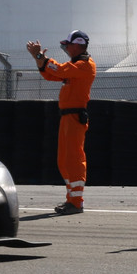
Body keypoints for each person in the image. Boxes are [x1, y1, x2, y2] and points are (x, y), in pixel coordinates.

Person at [26, 29, 97, 214]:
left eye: (68, 44)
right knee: (63, 160)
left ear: (78, 45)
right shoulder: (74, 66)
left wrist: (40, 55)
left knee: (74, 158)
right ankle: (71, 199)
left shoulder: (85, 65)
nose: (66, 48)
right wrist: (39, 59)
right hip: (67, 117)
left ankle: (76, 201)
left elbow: (58, 70)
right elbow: (50, 74)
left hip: (75, 117)